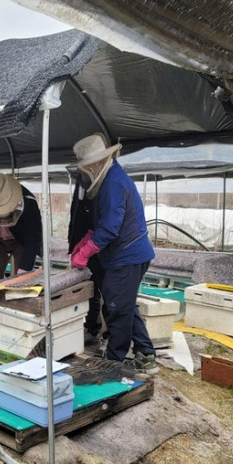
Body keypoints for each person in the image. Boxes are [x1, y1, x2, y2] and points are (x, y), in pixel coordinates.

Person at [70, 134, 158, 374]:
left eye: (88, 166)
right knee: (126, 306)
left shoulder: (114, 182)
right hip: (131, 254)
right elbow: (104, 222)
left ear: (96, 163)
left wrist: (86, 251)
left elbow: (110, 227)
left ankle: (113, 362)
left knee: (117, 308)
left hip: (127, 256)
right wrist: (86, 238)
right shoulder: (112, 178)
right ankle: (146, 355)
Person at [68, 168, 108, 346]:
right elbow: (77, 218)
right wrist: (76, 245)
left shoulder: (104, 188)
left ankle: (110, 335)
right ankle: (92, 328)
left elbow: (103, 227)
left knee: (108, 292)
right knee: (90, 291)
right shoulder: (81, 188)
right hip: (88, 246)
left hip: (102, 249)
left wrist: (86, 248)